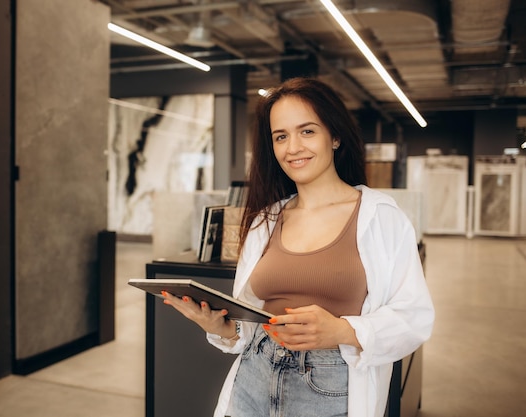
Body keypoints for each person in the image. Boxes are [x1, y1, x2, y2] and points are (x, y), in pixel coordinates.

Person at [161, 77, 435, 417]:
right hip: (254, 377)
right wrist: (221, 328)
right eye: (281, 136)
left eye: (307, 131)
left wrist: (343, 329)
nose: (292, 148)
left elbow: (415, 317)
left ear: (334, 137)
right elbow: (248, 324)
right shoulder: (266, 219)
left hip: (331, 386)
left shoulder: (381, 217)